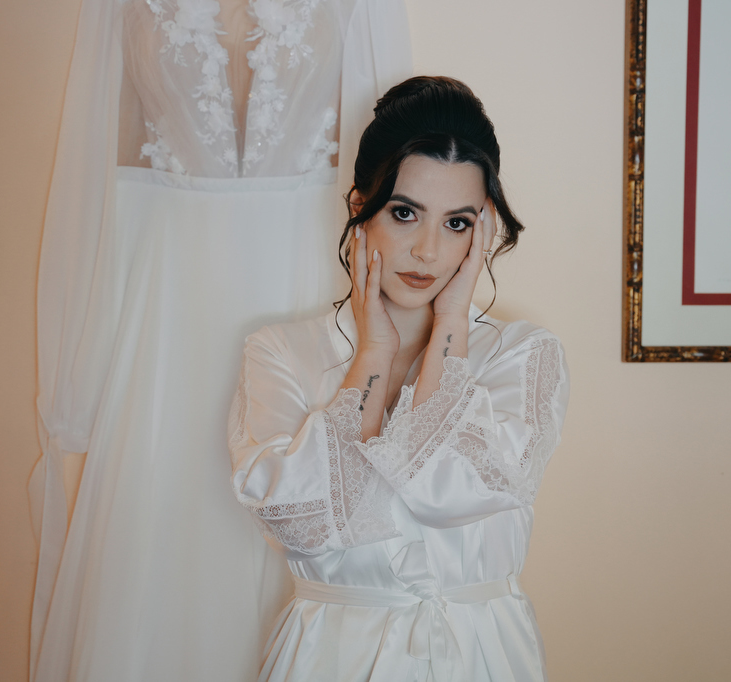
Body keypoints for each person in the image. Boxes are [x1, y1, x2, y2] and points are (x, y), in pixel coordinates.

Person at [29, 1, 410, 680]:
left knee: (296, 511)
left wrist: (392, 347)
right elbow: (91, 170)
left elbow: (397, 166)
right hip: (167, 319)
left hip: (309, 295)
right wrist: (72, 391)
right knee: (161, 541)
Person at [229, 76, 570, 682]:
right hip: (329, 655)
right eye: (405, 213)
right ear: (359, 207)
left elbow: (449, 492)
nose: (428, 251)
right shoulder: (280, 351)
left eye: (457, 223)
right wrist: (374, 354)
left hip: (480, 653)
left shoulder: (522, 355)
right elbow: (302, 526)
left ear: (484, 229)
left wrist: (452, 325)